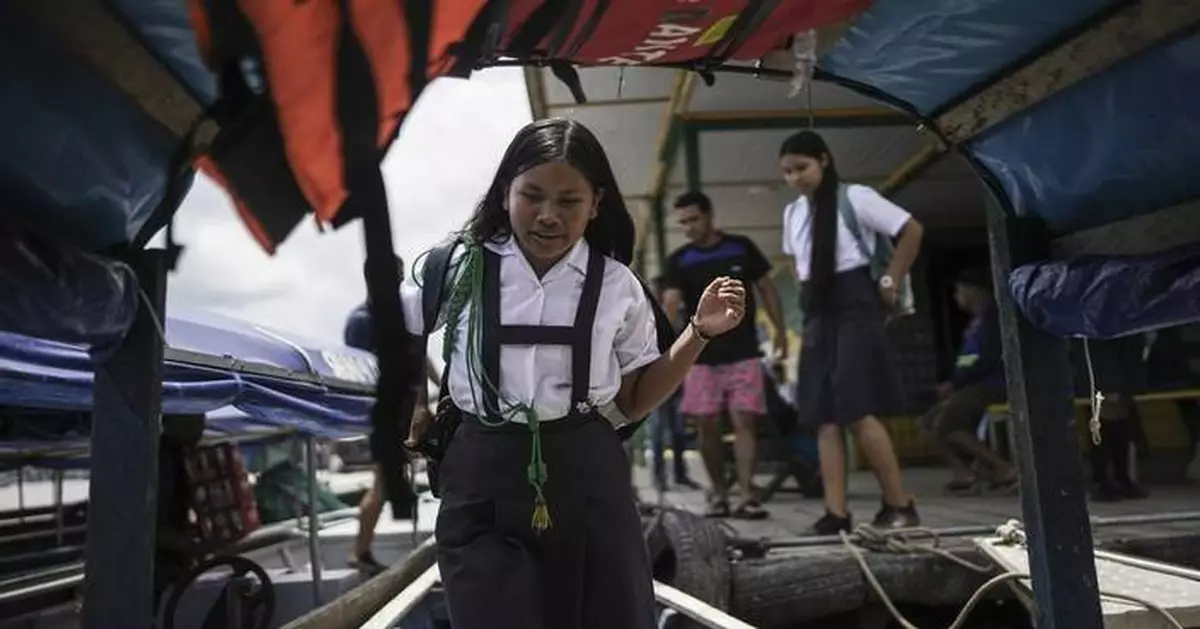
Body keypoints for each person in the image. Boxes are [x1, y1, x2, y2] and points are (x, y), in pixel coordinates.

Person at [400, 118, 746, 629]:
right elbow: (401, 332)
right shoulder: (456, 267)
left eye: (568, 201)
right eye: (531, 196)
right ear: (503, 193)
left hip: (587, 474)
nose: (547, 216)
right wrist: (414, 405)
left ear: (596, 203)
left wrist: (698, 332)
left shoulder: (617, 286)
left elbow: (631, 402)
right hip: (479, 471)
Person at [779, 130, 923, 534]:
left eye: (802, 168)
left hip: (857, 300)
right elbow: (794, 262)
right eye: (787, 172)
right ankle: (836, 513)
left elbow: (912, 230)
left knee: (856, 408)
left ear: (824, 160)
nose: (795, 178)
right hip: (817, 309)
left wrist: (891, 280)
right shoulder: (793, 214)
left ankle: (900, 504)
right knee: (823, 415)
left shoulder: (855, 197)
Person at [662, 191, 786, 520]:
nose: (688, 227)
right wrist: (663, 348)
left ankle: (747, 495)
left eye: (693, 219)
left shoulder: (741, 247)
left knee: (744, 420)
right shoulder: (679, 261)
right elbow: (670, 305)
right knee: (705, 425)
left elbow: (768, 289)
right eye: (683, 222)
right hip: (699, 358)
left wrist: (781, 333)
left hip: (744, 353)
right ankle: (719, 494)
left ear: (709, 215)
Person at [343, 255, 440, 574]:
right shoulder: (362, 320)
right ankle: (360, 552)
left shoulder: (398, 315)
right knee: (383, 481)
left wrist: (442, 384)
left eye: (400, 278)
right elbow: (358, 370)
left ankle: (370, 550)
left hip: (408, 407)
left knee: (394, 479)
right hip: (387, 411)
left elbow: (419, 354)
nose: (398, 284)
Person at [918, 267, 1016, 494]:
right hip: (970, 386)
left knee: (947, 424)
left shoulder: (994, 320)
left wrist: (955, 385)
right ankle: (964, 472)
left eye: (959, 291)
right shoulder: (974, 324)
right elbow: (966, 361)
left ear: (973, 291)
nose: (956, 297)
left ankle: (1003, 468)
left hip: (993, 385)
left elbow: (986, 360)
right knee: (928, 422)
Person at [648, 276, 701, 492]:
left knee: (678, 430)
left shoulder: (679, 318)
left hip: (678, 381)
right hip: (654, 381)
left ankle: (680, 474)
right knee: (658, 431)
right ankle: (660, 477)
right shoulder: (647, 317)